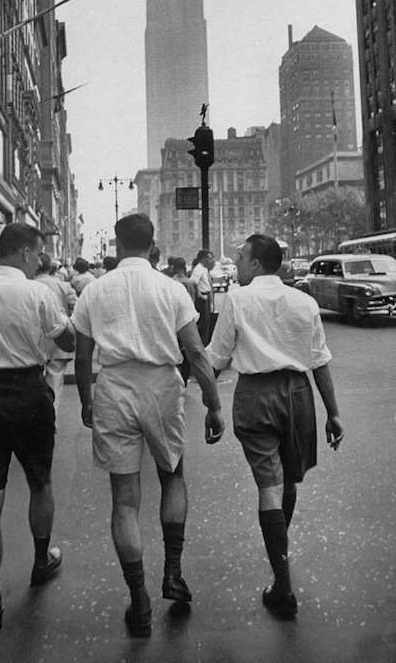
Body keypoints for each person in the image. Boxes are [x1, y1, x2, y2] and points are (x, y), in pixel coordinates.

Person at [73, 214, 224, 638]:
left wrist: (87, 401)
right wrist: (213, 404)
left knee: (124, 502)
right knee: (172, 475)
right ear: (151, 243)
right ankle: (173, 572)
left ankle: (138, 600)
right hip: (161, 387)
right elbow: (195, 352)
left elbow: (82, 358)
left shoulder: (95, 291)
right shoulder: (171, 289)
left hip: (115, 387)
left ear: (117, 244)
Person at [206, 234, 344, 619]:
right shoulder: (305, 302)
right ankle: (281, 559)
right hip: (299, 395)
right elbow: (320, 362)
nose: (236, 264)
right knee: (289, 482)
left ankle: (283, 587)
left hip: (255, 396)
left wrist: (211, 404)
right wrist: (333, 413)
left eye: (240, 259)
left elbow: (216, 357)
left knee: (269, 485)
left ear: (256, 264)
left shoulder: (236, 299)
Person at [0, 223, 76, 632]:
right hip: (27, 392)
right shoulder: (37, 292)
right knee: (40, 482)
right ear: (25, 252)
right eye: (37, 254)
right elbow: (68, 342)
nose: (39, 261)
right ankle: (41, 561)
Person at [35, 252, 78, 412]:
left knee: (34, 377)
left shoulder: (27, 284)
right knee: (55, 378)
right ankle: (50, 415)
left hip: (35, 338)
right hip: (58, 338)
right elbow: (77, 309)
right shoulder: (63, 286)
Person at [190, 249, 215, 344]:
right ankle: (202, 344)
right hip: (203, 298)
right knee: (203, 324)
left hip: (207, 297)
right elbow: (193, 283)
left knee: (207, 324)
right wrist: (199, 295)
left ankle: (205, 343)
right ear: (203, 258)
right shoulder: (198, 269)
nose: (210, 260)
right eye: (208, 258)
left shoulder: (204, 269)